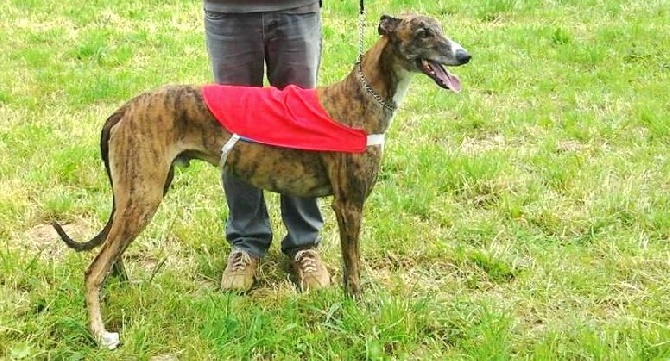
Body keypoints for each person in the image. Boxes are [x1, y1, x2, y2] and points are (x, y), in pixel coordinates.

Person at [203, 0, 330, 292]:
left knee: (301, 124)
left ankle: (304, 243)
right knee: (236, 133)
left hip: (295, 8)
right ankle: (246, 244)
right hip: (229, 12)